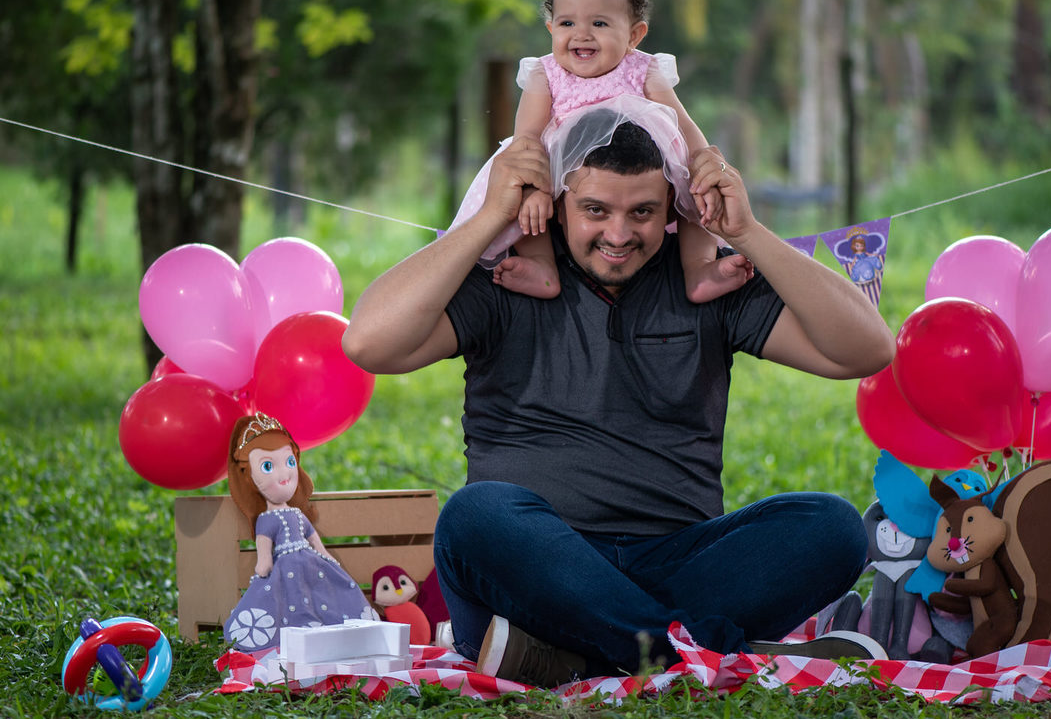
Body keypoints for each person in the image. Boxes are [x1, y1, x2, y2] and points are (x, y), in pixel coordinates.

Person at [342, 96, 896, 687]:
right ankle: (683, 655)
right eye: (595, 209)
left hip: (674, 558)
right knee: (475, 516)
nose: (618, 233)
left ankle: (595, 656)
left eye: (643, 212)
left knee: (832, 526)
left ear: (673, 209)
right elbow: (368, 344)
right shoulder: (508, 275)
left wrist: (747, 231)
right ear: (557, 203)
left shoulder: (709, 281)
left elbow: (866, 350)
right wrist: (485, 220)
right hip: (534, 571)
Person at [448, 0, 751, 303]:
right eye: (567, 23)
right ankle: (542, 266)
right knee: (526, 204)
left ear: (634, 35)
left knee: (695, 197)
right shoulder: (544, 74)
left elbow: (681, 122)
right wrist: (534, 187)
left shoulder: (643, 69)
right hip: (560, 167)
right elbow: (529, 138)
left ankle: (698, 270)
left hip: (645, 166)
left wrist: (703, 162)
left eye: (600, 23)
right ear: (550, 28)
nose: (582, 34)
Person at [222, 412, 378, 652]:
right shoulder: (266, 519)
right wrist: (263, 565)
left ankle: (341, 632)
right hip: (285, 569)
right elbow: (264, 552)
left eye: (290, 462)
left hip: (312, 563)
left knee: (325, 596)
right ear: (250, 478)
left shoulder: (297, 514)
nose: (284, 474)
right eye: (267, 466)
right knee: (291, 603)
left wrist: (324, 554)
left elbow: (313, 537)